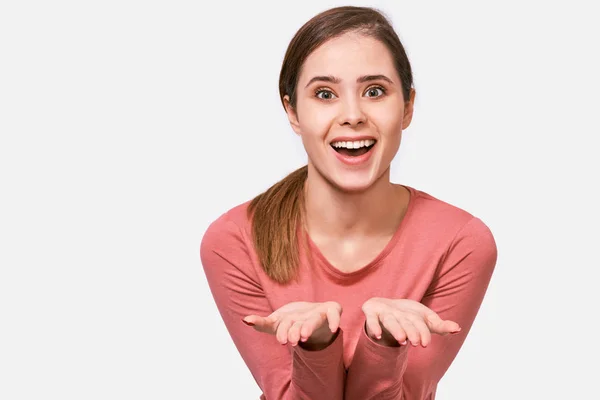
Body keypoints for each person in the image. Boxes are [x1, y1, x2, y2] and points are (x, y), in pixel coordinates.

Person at [200, 5, 497, 400]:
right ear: (292, 111)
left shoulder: (461, 242)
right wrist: (317, 347)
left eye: (374, 91)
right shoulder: (235, 241)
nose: (353, 115)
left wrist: (386, 346)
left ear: (407, 107)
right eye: (325, 94)